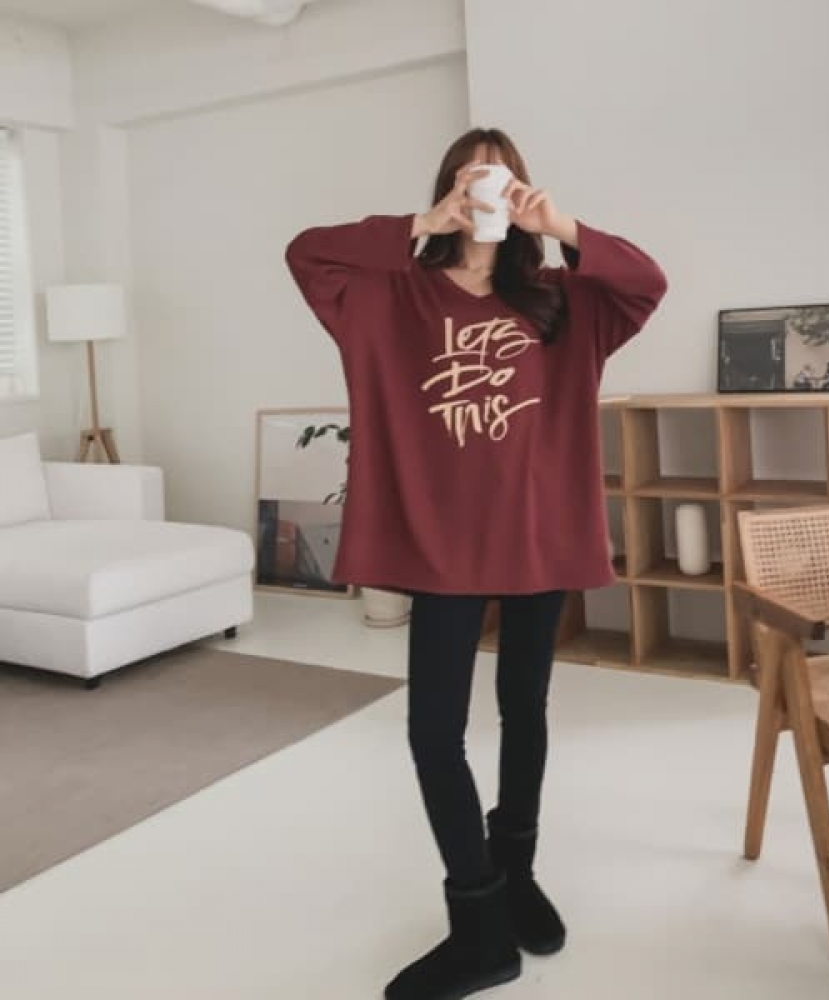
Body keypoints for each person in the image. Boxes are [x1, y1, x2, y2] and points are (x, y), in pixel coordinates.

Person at [285, 127, 667, 1000]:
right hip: (441, 542)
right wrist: (420, 226)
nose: (484, 190)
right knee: (434, 732)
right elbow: (306, 253)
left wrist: (562, 227)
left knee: (524, 711)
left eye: (500, 178)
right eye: (468, 178)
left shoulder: (565, 302)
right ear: (449, 191)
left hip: (538, 532)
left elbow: (647, 281)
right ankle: (479, 921)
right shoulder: (389, 297)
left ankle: (516, 873)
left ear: (523, 192)